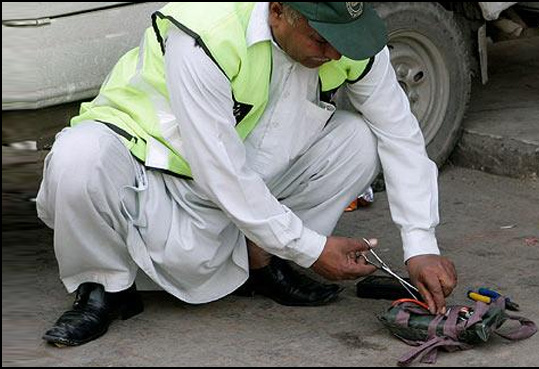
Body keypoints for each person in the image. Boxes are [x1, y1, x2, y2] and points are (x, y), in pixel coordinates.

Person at [36, 2, 457, 347]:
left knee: (358, 140)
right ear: (277, 12)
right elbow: (218, 167)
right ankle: (104, 288)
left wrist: (420, 243)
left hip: (239, 172)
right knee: (79, 156)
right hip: (154, 169)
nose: (333, 54)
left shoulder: (347, 41)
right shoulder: (206, 32)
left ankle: (262, 261)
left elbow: (399, 133)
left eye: (341, 41)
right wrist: (310, 248)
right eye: (320, 39)